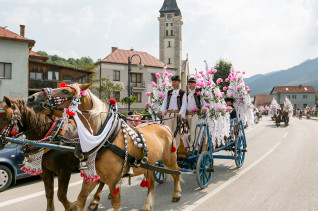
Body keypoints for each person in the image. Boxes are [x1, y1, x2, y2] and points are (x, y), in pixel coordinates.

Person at [159, 75, 187, 149]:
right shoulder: (169, 92)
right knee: (167, 131)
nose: (174, 83)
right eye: (173, 82)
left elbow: (184, 104)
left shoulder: (182, 92)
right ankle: (167, 148)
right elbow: (165, 102)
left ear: (179, 82)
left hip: (177, 114)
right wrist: (162, 111)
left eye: (175, 82)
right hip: (169, 114)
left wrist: (180, 114)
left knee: (176, 132)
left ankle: (175, 149)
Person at [182, 77, 207, 152]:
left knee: (193, 131)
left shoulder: (199, 93)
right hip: (188, 115)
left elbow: (204, 102)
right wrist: (184, 117)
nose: (190, 85)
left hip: (196, 115)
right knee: (189, 132)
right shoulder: (188, 95)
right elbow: (185, 106)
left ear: (195, 84)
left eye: (192, 83)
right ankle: (190, 147)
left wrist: (203, 109)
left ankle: (193, 148)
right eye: (189, 84)